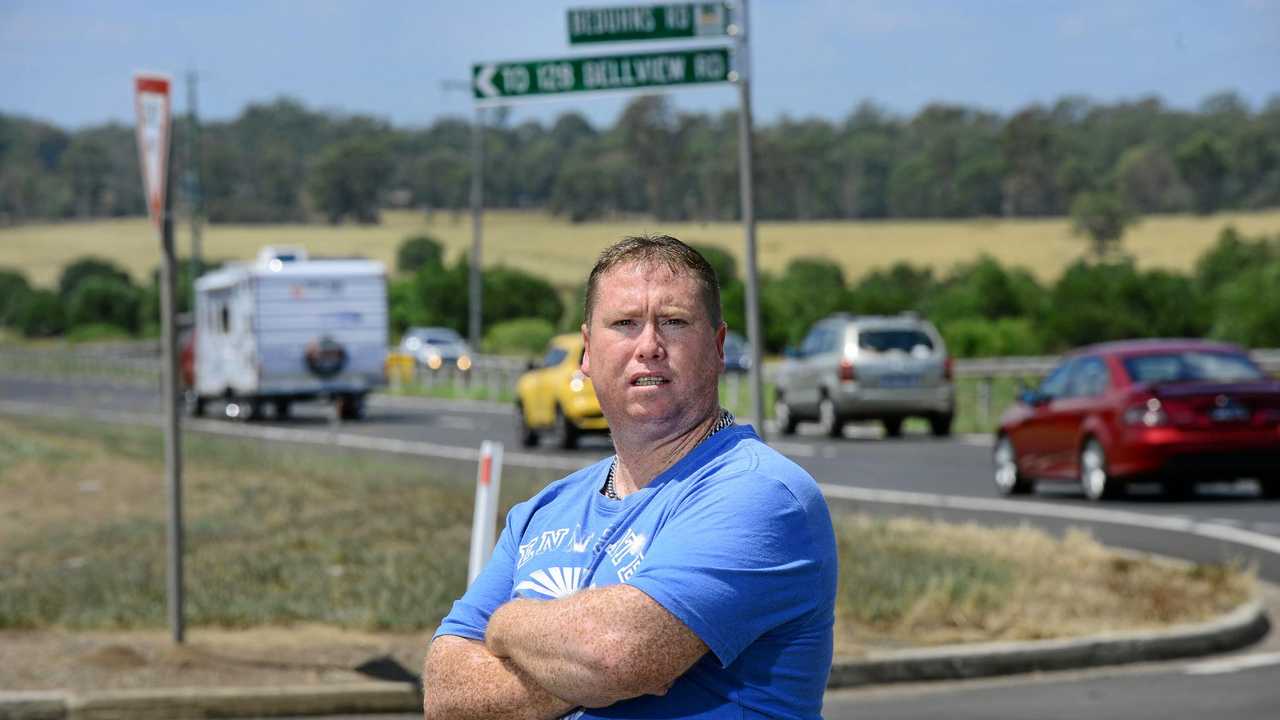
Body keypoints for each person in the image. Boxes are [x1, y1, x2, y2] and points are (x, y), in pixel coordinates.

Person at [423, 235, 837, 719]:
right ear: (587, 352)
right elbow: (445, 696)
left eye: (674, 323)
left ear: (719, 346)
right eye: (624, 324)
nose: (649, 346)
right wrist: (579, 667)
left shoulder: (761, 494)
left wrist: (507, 625)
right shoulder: (542, 511)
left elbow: (617, 655)